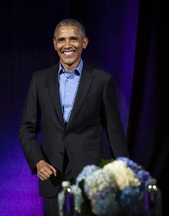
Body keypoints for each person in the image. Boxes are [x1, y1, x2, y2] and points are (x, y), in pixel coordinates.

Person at [19, 18, 129, 216]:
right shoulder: (39, 80)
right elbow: (27, 128)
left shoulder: (101, 80)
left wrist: (125, 174)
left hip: (90, 178)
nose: (67, 45)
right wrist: (38, 162)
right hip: (52, 177)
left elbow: (114, 133)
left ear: (84, 42)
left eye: (73, 39)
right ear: (54, 44)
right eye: (61, 40)